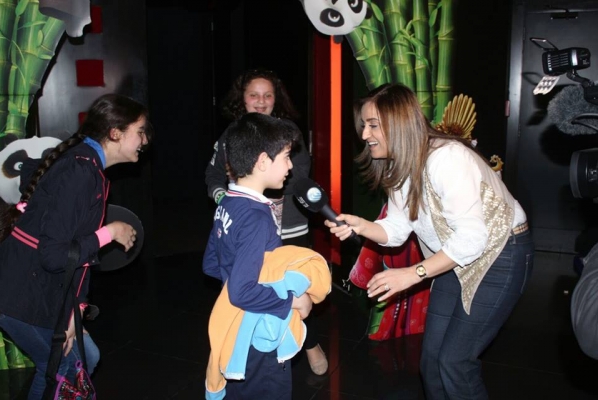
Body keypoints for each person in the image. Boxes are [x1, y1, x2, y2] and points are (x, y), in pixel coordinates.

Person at [325, 84, 534, 399]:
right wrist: (363, 226)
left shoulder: (447, 157)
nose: (365, 134)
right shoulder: (399, 163)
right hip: (453, 254)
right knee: (432, 360)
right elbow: (398, 228)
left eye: (373, 125)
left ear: (399, 123)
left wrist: (413, 274)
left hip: (500, 254)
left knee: (455, 363)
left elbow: (473, 238)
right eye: (364, 125)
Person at [0, 93, 152, 399]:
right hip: (19, 294)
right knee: (60, 366)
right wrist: (110, 232)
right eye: (140, 131)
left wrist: (76, 310)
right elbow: (55, 255)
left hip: (39, 287)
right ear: (115, 132)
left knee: (87, 357)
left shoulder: (89, 167)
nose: (145, 140)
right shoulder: (80, 171)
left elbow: (76, 258)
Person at [205, 68, 328, 375]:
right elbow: (214, 175)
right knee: (253, 289)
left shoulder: (287, 133)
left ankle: (308, 343)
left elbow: (298, 175)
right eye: (253, 95)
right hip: (248, 225)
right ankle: (261, 350)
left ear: (277, 99)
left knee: (294, 290)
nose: (261, 101)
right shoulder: (233, 134)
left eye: (268, 95)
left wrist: (258, 184)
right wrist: (229, 197)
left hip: (289, 230)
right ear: (242, 99)